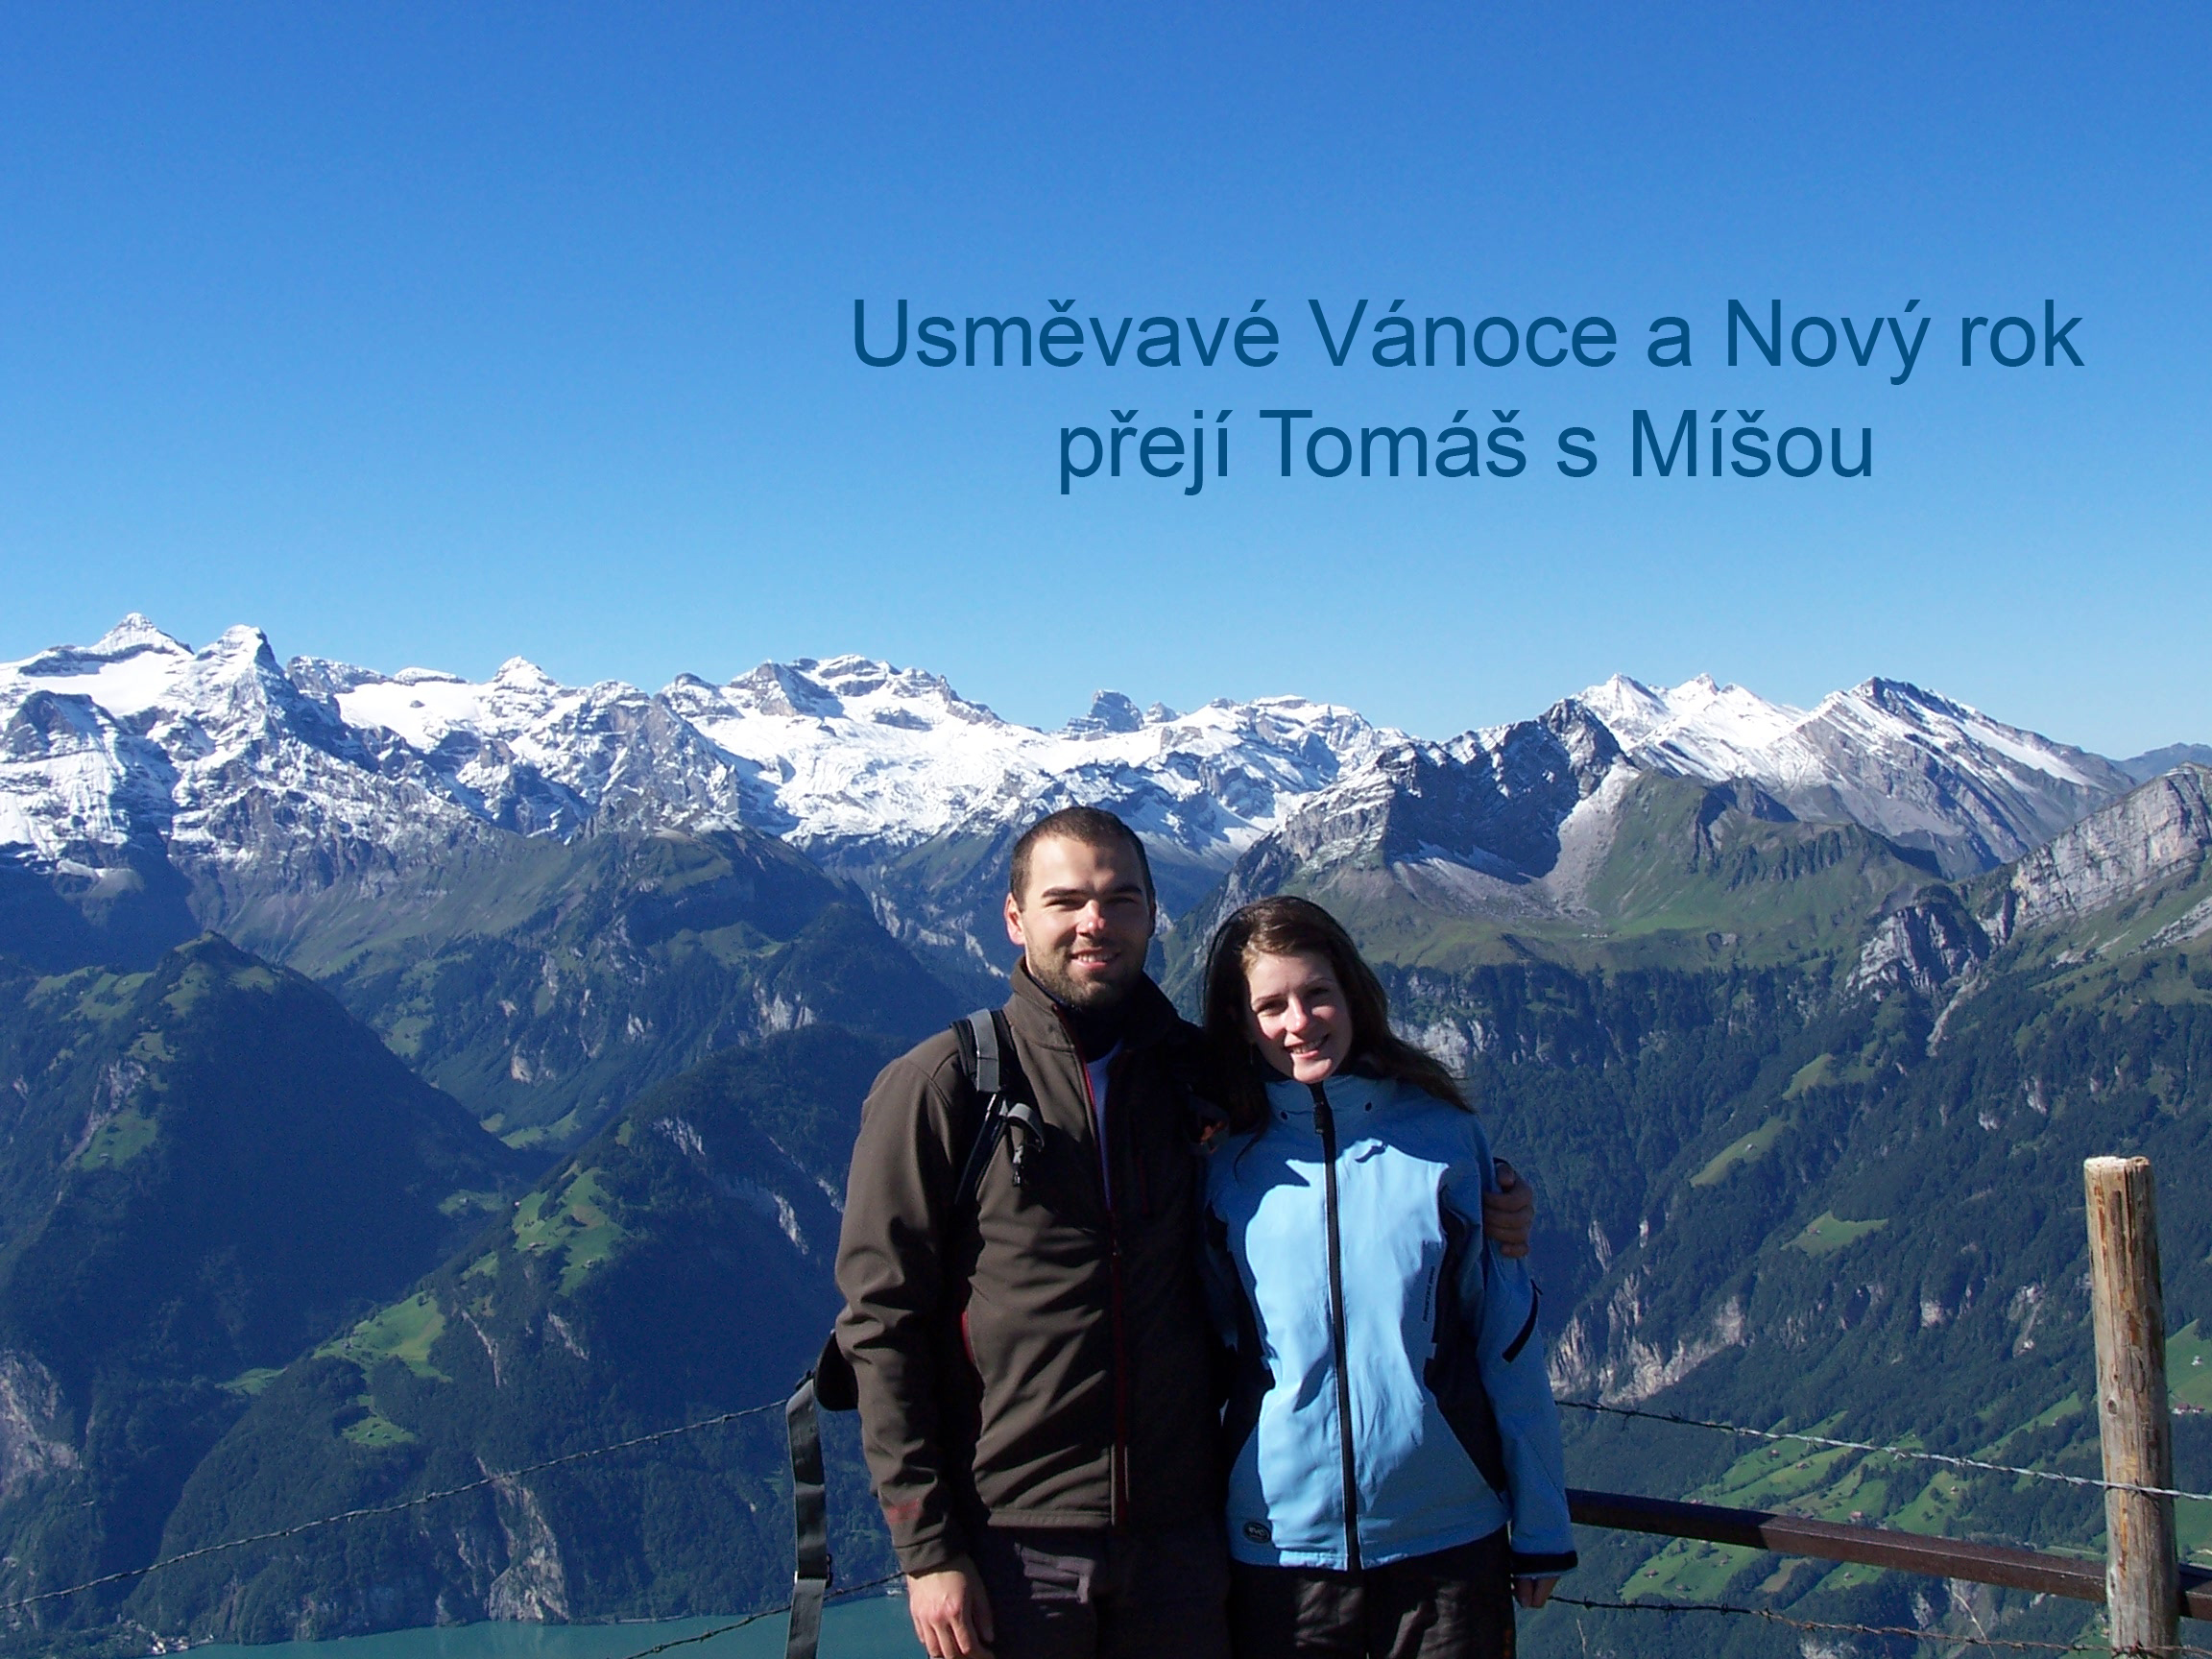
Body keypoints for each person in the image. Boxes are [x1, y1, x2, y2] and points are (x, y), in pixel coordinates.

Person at [834, 807, 1537, 1659]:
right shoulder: (946, 1086)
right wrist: (927, 1549)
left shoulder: (1202, 1073)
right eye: (1067, 901)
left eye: (1120, 899)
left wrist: (1486, 1193)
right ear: (1015, 918)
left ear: (1152, 914)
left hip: (1183, 1540)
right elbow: (881, 1325)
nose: (1096, 921)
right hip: (1015, 1542)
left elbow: (1335, 1134)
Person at [1199, 895, 1575, 1659]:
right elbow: (1200, 1343)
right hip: (1280, 1547)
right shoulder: (1220, 1164)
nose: (1299, 1022)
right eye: (1271, 1006)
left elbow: (1506, 1337)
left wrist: (1542, 1526)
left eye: (1317, 994)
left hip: (1448, 1538)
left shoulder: (1443, 1139)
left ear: (1352, 994)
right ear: (1240, 1023)